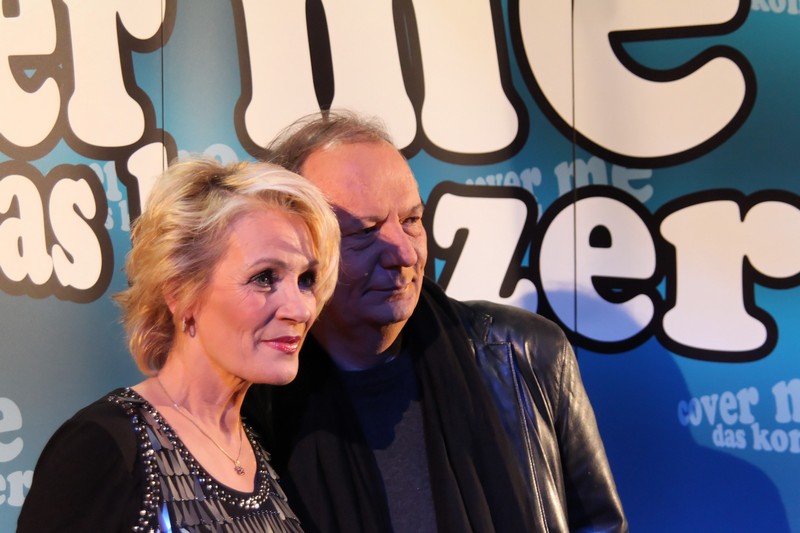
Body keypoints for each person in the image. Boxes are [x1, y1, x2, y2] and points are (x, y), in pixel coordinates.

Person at [242, 110, 628, 533]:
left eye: (411, 221)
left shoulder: (522, 353)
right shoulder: (250, 401)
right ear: (297, 248)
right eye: (365, 231)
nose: (405, 254)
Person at [17, 157, 340, 532]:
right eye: (264, 277)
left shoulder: (263, 446)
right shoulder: (106, 446)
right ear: (181, 293)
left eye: (306, 279)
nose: (300, 309)